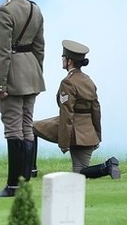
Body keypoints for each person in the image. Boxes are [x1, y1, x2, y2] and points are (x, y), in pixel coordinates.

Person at [0, 0, 45, 198]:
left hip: (12, 73)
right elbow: (40, 47)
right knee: (26, 126)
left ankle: (13, 185)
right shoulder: (34, 8)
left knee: (13, 128)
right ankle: (25, 183)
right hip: (31, 72)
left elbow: (2, 52)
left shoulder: (5, 11)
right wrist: (36, 73)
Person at [33, 40, 119, 179]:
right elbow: (96, 110)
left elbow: (67, 114)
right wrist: (97, 136)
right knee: (80, 172)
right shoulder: (88, 81)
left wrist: (64, 142)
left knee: (30, 127)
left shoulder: (68, 82)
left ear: (69, 61)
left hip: (74, 131)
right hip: (88, 132)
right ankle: (106, 167)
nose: (62, 60)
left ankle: (30, 170)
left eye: (63, 57)